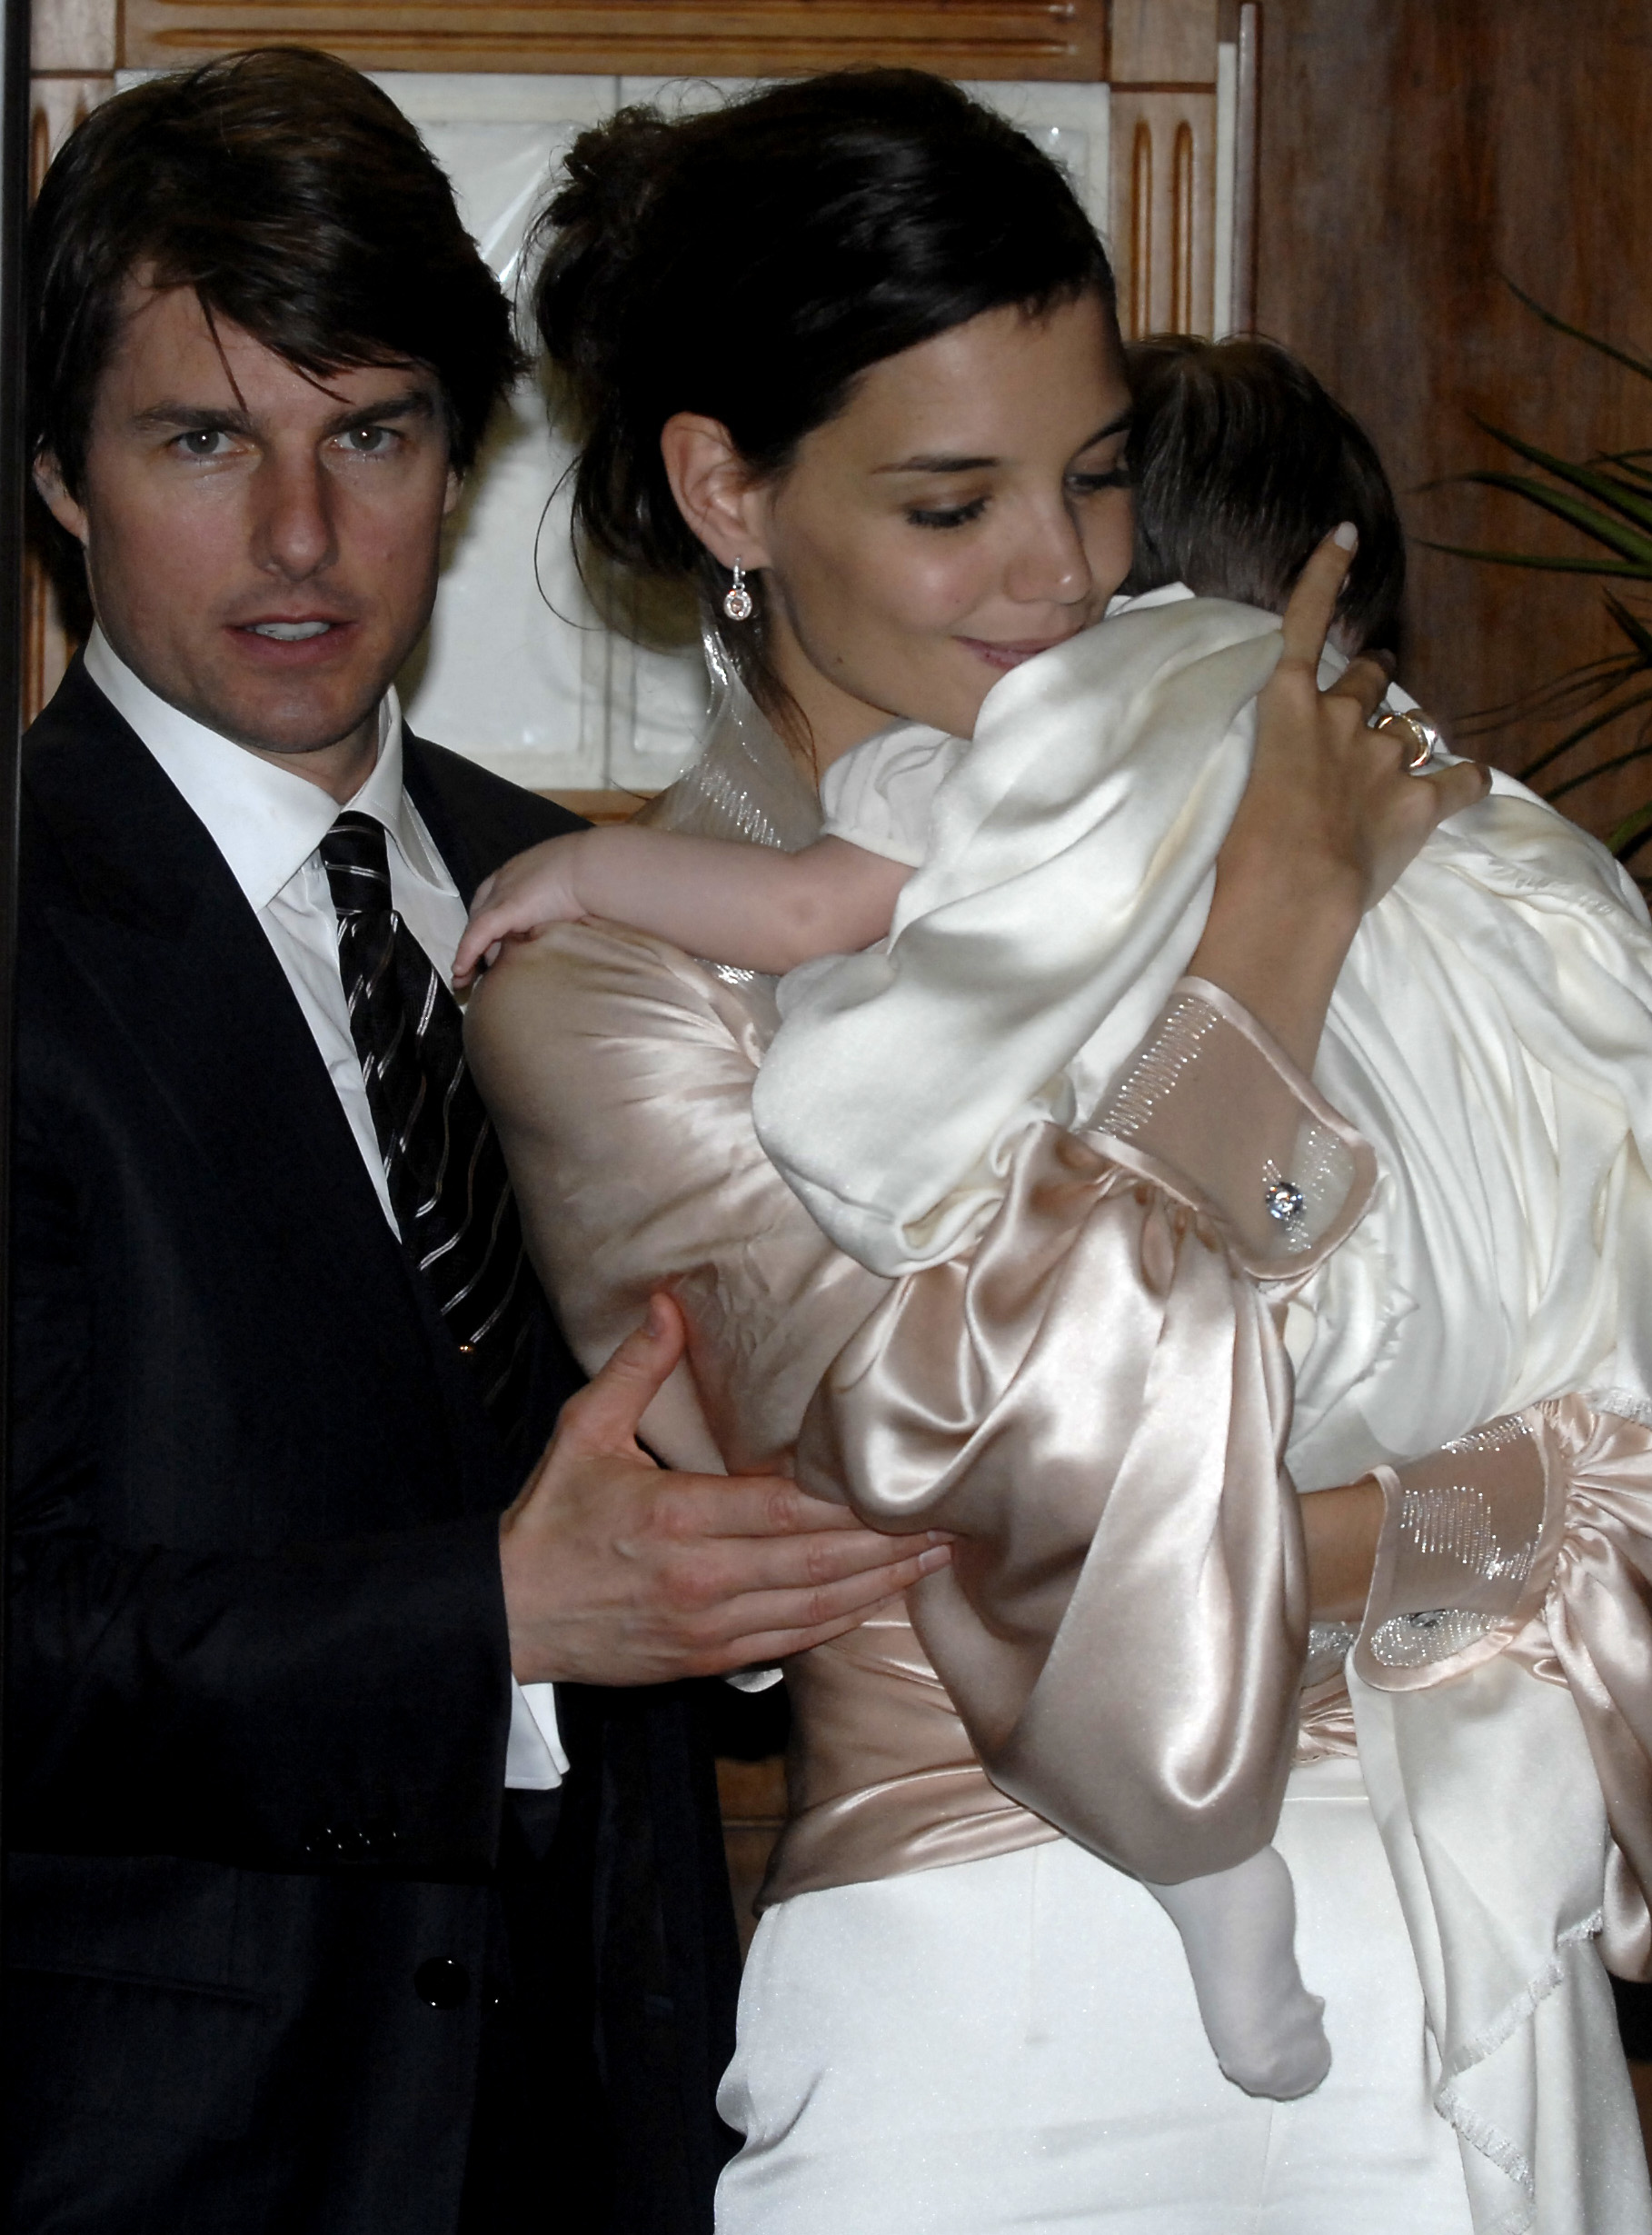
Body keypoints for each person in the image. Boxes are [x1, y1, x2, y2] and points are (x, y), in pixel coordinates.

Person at [468, 71, 1652, 2235]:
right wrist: (1275, 939)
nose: (1062, 575)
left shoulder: (1210, 754)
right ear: (728, 489)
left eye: (1101, 480)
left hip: (1448, 1945)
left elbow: (1468, 1233)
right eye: (950, 505)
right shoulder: (606, 977)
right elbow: (997, 1518)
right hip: (993, 2008)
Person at [3, 51, 947, 2235]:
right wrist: (490, 1620)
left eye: (378, 434)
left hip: (617, 2129)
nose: (307, 538)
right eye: (204, 440)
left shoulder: (617, 900)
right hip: (151, 2166)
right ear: (58, 472)